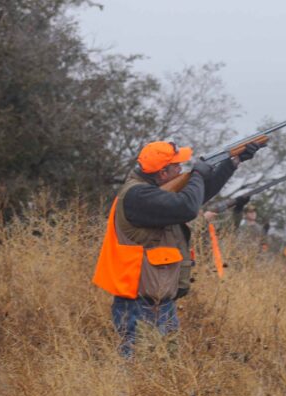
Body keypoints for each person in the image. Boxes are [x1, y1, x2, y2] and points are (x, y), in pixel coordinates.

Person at [92, 140, 264, 357]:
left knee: (165, 370)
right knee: (140, 374)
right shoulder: (138, 196)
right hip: (139, 304)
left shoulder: (152, 192)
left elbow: (197, 197)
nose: (181, 169)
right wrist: (198, 175)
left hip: (159, 301)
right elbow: (188, 207)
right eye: (177, 166)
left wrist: (232, 162)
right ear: (163, 173)